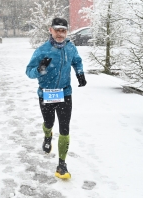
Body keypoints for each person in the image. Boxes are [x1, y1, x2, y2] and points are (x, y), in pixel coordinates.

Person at [25, 17, 87, 179]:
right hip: (46, 93)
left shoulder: (71, 48)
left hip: (65, 93)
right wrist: (39, 69)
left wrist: (79, 73)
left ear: (66, 32)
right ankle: (47, 135)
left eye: (63, 31)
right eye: (57, 30)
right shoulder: (42, 50)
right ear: (50, 30)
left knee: (65, 129)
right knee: (48, 123)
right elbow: (29, 72)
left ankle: (62, 165)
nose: (60, 34)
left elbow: (77, 61)